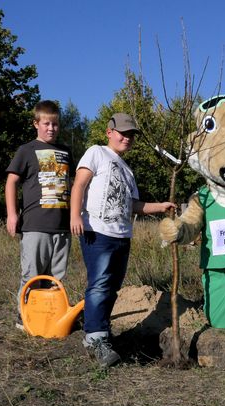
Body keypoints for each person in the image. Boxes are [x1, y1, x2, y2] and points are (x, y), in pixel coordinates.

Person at [70, 113, 175, 367]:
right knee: (99, 285)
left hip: (122, 236)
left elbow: (134, 205)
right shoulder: (96, 152)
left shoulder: (127, 171)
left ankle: (101, 334)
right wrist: (75, 215)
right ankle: (95, 338)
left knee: (112, 287)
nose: (126, 138)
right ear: (109, 132)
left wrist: (161, 206)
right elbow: (80, 185)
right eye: (122, 133)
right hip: (97, 231)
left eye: (131, 135)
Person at [5, 100, 74, 329]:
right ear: (36, 124)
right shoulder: (26, 150)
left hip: (62, 227)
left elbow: (73, 186)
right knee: (32, 275)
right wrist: (12, 214)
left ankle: (47, 317)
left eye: (55, 124)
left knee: (55, 278)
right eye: (46, 124)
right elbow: (11, 182)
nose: (51, 129)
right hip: (34, 224)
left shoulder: (66, 151)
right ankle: (24, 318)